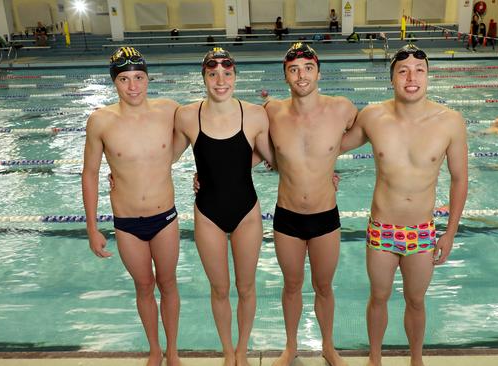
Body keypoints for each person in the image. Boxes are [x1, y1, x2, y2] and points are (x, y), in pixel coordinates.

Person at [340, 44, 469, 366]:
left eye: (419, 71)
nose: (412, 77)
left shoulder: (450, 121)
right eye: (403, 71)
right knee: (379, 297)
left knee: (415, 300)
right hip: (382, 229)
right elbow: (330, 147)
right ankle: (374, 359)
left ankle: (416, 359)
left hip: (422, 232)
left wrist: (449, 233)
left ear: (428, 76)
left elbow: (459, 179)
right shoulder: (372, 116)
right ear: (392, 78)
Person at [172, 47, 274, 366]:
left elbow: (277, 157)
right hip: (207, 214)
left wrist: (327, 172)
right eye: (213, 74)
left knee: (245, 287)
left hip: (246, 212)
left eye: (227, 74)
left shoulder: (255, 114)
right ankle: (227, 352)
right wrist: (120, 172)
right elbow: (166, 156)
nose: (220, 80)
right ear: (203, 77)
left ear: (235, 77)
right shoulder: (187, 115)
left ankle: (242, 351)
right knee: (219, 288)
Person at [82, 47, 181, 366]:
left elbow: (205, 130)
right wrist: (92, 227)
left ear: (148, 78)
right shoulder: (100, 120)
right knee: (144, 286)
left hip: (165, 218)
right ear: (115, 83)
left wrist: (202, 175)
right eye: (124, 79)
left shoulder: (169, 110)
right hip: (127, 223)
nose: (133, 86)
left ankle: (174, 351)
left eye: (139, 77)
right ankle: (155, 350)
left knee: (168, 284)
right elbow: (91, 173)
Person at [264, 42, 358, 366]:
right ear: (286, 77)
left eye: (307, 68)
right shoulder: (272, 112)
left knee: (323, 286)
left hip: (325, 217)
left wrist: (330, 161)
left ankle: (328, 347)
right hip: (287, 215)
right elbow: (251, 145)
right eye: (293, 70)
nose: (301, 75)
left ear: (318, 71)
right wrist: (207, 174)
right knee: (291, 285)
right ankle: (290, 347)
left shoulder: (341, 108)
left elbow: (368, 133)